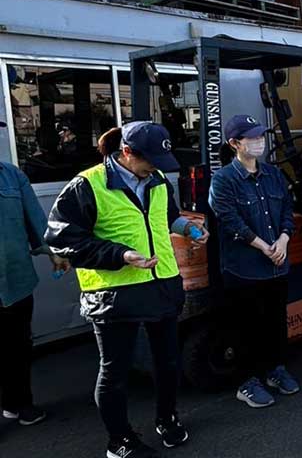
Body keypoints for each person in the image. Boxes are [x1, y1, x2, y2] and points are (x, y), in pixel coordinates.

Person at [45, 122, 209, 458]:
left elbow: (167, 217)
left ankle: (167, 418)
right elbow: (62, 240)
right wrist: (121, 255)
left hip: (162, 287)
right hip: (114, 297)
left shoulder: (158, 179)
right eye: (149, 160)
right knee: (114, 372)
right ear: (127, 152)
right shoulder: (87, 185)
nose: (156, 169)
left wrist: (188, 230)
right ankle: (119, 441)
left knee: (167, 362)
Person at [208, 115, 298, 409]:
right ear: (235, 143)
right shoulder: (223, 180)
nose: (259, 141)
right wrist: (263, 246)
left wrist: (283, 239)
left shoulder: (273, 174)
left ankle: (276, 370)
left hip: (277, 263)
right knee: (246, 326)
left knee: (276, 322)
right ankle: (247, 382)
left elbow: (287, 208)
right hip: (244, 268)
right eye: (252, 137)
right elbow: (230, 220)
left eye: (261, 136)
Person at [0, 119, 69, 429]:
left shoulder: (12, 176)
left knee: (17, 346)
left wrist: (53, 252)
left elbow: (37, 223)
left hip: (15, 281)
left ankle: (19, 404)